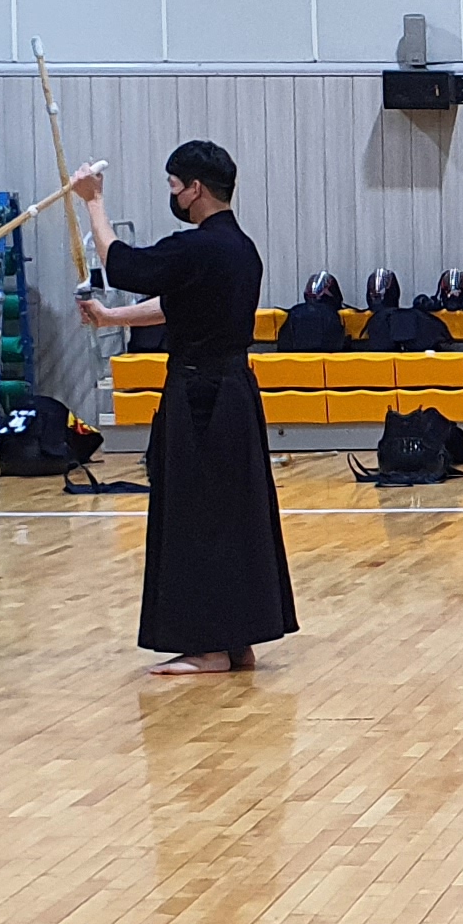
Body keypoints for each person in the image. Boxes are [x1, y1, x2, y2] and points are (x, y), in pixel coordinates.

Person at [71, 140, 298, 673]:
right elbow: (177, 305)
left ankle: (208, 647)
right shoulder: (240, 248)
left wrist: (93, 202)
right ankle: (237, 640)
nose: (172, 195)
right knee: (232, 514)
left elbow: (123, 265)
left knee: (196, 515)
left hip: (200, 398)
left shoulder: (197, 246)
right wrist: (111, 318)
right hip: (235, 393)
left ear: (195, 189)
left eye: (175, 186)